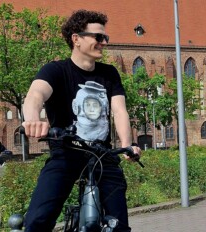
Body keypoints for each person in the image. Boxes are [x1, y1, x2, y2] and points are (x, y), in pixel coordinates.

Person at [21, 9, 141, 232]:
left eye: (105, 38)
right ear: (76, 39)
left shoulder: (109, 74)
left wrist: (127, 144)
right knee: (38, 220)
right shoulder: (55, 70)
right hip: (66, 154)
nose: (103, 42)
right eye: (98, 37)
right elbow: (36, 94)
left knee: (119, 225)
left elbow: (119, 110)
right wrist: (32, 120)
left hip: (102, 156)